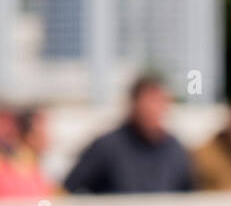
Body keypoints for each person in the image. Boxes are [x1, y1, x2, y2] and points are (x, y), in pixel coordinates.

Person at [64, 74, 193, 194]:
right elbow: (68, 189)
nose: (154, 110)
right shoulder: (107, 146)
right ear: (134, 104)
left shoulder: (175, 149)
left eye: (159, 102)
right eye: (149, 102)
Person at [0, 107, 56, 199]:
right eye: (40, 134)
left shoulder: (36, 171)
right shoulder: (8, 172)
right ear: (26, 136)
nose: (47, 138)